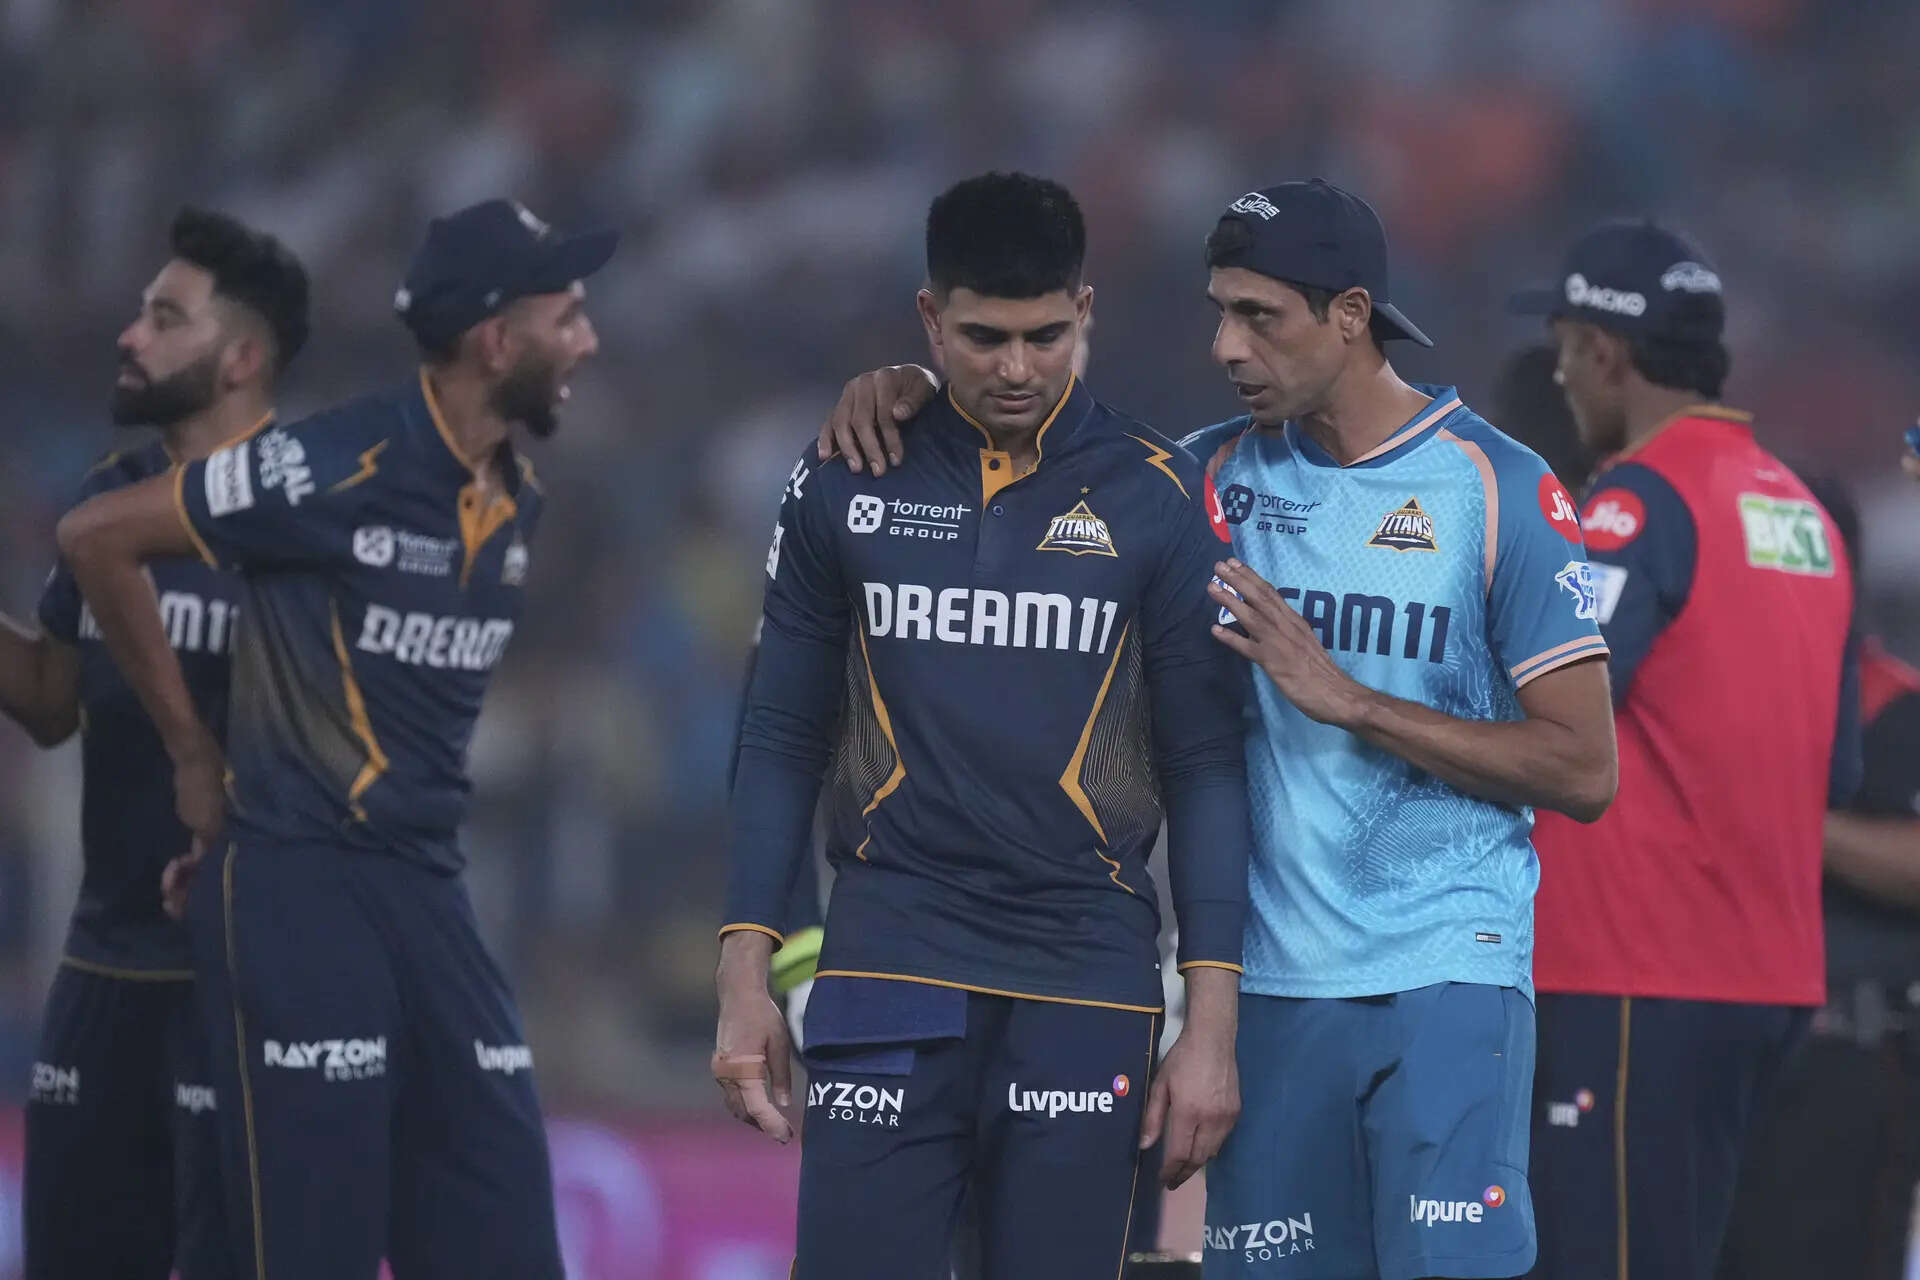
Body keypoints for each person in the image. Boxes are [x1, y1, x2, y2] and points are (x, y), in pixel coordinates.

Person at [818, 178, 1620, 1280]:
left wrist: (1352, 701)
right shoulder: (1200, 481)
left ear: (1350, 314)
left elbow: (1583, 767)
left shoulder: (1497, 489)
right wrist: (913, 389)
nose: (1226, 346)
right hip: (1266, 996)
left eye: (1259, 317)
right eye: (1220, 312)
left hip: (1447, 972)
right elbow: (1028, 448)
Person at [54, 197, 614, 1280]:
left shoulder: (520, 503)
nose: (587, 340)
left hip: (429, 890)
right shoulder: (328, 462)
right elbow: (96, 537)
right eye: (568, 317)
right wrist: (194, 758)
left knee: (507, 1239)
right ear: (496, 341)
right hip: (298, 890)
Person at [714, 171, 1251, 1279]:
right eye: (983, 337)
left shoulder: (1158, 495)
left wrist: (1210, 1027)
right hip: (888, 963)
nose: (1016, 367)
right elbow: (778, 735)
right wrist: (743, 979)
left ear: (1085, 312)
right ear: (930, 318)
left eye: (1045, 336)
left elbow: (1206, 767)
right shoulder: (844, 477)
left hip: (1084, 978)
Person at [1510, 221, 1861, 1280]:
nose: (1560, 377)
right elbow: (1838, 771)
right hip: (1771, 974)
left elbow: (1560, 701)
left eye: (1564, 350)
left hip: (1632, 971)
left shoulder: (1633, 500)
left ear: (1605, 350)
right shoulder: (1806, 514)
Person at [0, 207, 305, 1280]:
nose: (130, 335)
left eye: (165, 319)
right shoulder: (105, 496)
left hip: (253, 983)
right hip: (105, 965)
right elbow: (50, 702)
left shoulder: (314, 520)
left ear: (242, 357)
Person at [1715, 476, 1920, 1280]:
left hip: (1848, 1062)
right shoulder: (1700, 696)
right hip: (1709, 1051)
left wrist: (1790, 821)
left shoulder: (1899, 709)